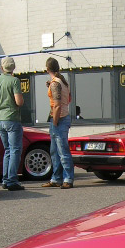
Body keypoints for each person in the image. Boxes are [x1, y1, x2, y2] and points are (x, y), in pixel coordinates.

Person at [0, 56, 25, 191]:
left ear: (2, 67)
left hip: (0, 120)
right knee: (15, 150)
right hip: (12, 119)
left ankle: (5, 179)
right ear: (13, 67)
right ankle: (12, 180)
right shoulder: (14, 81)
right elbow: (19, 102)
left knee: (7, 150)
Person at [43, 56, 74, 189]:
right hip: (64, 117)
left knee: (61, 151)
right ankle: (57, 178)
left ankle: (67, 178)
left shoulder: (55, 83)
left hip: (59, 119)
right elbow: (68, 99)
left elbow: (57, 105)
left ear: (47, 68)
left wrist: (54, 122)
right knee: (55, 151)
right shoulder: (62, 81)